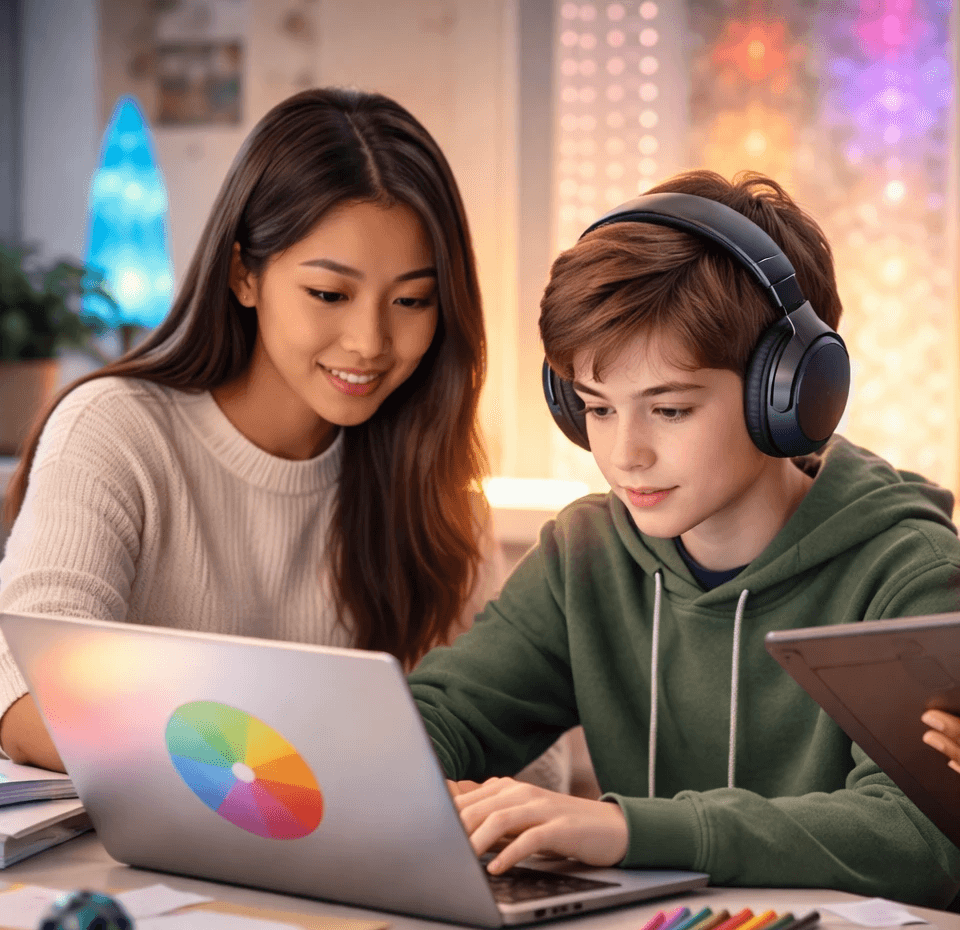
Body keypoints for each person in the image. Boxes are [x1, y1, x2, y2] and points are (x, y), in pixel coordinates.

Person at [407, 169, 960, 907]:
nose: (624, 455)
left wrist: (628, 830)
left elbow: (921, 834)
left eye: (668, 410)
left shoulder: (911, 574)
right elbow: (445, 716)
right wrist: (399, 777)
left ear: (789, 396)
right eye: (598, 409)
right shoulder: (584, 555)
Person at [0, 87, 576, 786]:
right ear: (244, 274)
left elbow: (525, 750)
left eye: (411, 300)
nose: (369, 341)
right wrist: (280, 778)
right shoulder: (116, 429)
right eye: (330, 295)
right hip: (141, 850)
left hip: (359, 853)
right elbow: (25, 694)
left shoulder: (432, 479)